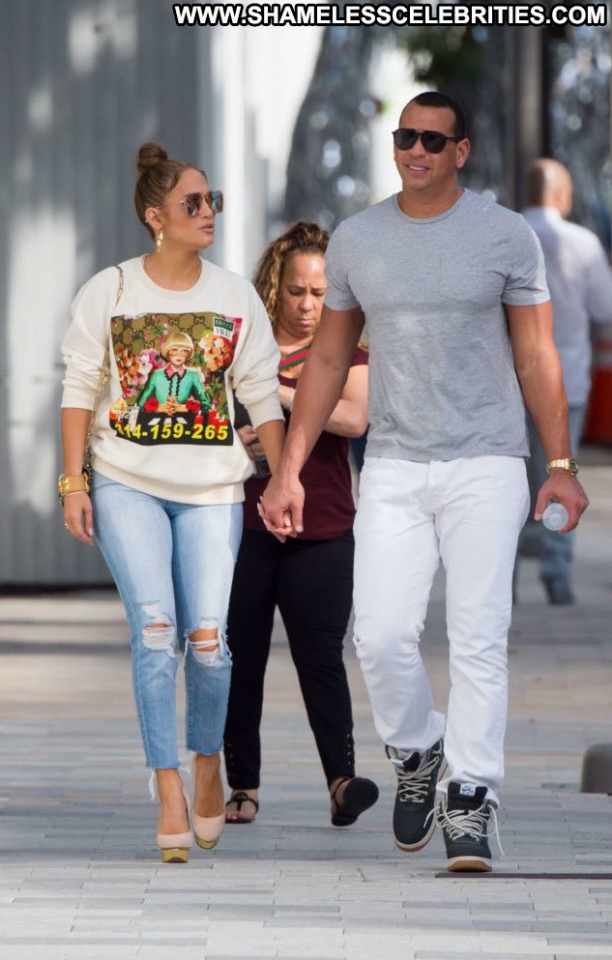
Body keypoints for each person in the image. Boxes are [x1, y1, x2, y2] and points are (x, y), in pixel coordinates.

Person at [260, 92, 589, 873]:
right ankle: (418, 747)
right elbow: (329, 359)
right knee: (377, 635)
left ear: (461, 151)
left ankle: (471, 797)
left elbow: (536, 355)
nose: (416, 150)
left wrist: (561, 466)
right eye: (406, 136)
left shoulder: (505, 236)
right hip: (396, 463)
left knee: (479, 635)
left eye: (433, 140)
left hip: (487, 461)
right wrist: (289, 469)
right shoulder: (358, 238)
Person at [60, 142, 285, 863]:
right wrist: (73, 482)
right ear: (156, 216)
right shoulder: (110, 291)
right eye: (194, 201)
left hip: (213, 488)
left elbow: (260, 392)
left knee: (209, 644)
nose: (208, 211)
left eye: (213, 199)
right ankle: (167, 786)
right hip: (125, 480)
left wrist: (284, 476)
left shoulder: (234, 296)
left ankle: (207, 760)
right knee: (156, 633)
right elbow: (79, 390)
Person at [223, 221, 378, 827]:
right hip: (244, 525)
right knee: (240, 658)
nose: (308, 305)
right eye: (296, 291)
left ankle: (342, 782)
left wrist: (283, 396)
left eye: (319, 293)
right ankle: (242, 785)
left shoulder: (347, 352)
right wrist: (240, 437)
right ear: (275, 288)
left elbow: (354, 418)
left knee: (321, 657)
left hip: (325, 528)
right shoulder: (243, 352)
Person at [519, 159, 612, 604]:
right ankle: (557, 577)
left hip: (511, 381)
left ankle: (504, 579)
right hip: (567, 380)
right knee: (562, 472)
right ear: (560, 194)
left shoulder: (508, 233)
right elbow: (605, 310)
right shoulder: (583, 243)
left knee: (511, 480)